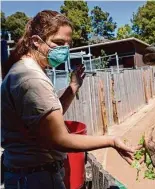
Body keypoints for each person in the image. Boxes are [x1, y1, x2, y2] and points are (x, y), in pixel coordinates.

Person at [1, 10, 139, 189]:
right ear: (36, 41)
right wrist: (111, 141)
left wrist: (73, 87)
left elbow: (46, 121)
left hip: (28, 176)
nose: (64, 49)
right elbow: (59, 138)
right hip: (36, 178)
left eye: (67, 44)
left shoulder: (26, 70)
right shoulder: (31, 78)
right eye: (58, 43)